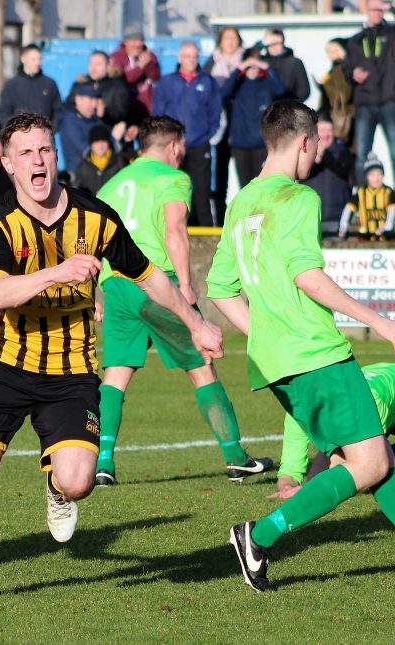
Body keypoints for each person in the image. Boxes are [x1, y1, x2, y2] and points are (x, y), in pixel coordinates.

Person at [0, 111, 223, 614]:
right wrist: (58, 272)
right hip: (3, 363)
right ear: (9, 164)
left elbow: (149, 275)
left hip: (71, 368)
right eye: (26, 153)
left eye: (45, 150)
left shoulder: (95, 217)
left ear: (54, 155)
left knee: (79, 480)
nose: (37, 161)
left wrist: (195, 322)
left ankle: (57, 490)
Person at [207, 99, 395, 593]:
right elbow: (308, 276)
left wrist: (266, 333)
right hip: (317, 354)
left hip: (276, 363)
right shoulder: (298, 197)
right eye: (318, 146)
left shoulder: (242, 201)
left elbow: (220, 288)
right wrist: (377, 320)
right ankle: (259, 535)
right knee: (372, 462)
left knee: (376, 460)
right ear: (305, 141)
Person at [94, 115, 273, 486]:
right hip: (157, 279)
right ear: (174, 146)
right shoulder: (173, 178)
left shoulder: (110, 184)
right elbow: (175, 230)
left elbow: (94, 240)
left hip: (114, 284)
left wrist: (95, 291)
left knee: (115, 374)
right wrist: (186, 285)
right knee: (202, 364)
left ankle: (103, 462)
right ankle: (236, 457)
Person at [274, 363, 395, 500]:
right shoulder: (297, 412)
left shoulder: (364, 402)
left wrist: (311, 489)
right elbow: (290, 470)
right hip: (386, 402)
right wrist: (287, 487)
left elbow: (363, 464)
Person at [344, 0, 395, 204]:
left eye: (380, 10)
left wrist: (393, 7)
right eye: (374, 9)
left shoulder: (392, 33)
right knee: (362, 154)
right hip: (365, 102)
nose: (377, 13)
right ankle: (360, 197)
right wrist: (353, 74)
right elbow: (346, 69)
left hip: (389, 100)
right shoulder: (355, 40)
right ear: (366, 10)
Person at [152, 41, 222, 227]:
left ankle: (206, 236)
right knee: (174, 190)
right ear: (180, 58)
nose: (191, 60)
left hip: (199, 144)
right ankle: (174, 229)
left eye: (194, 56)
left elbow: (216, 111)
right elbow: (157, 112)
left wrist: (210, 135)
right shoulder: (167, 82)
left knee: (201, 191)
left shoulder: (208, 82)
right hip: (173, 146)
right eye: (187, 56)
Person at [220, 48, 287, 189]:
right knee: (245, 186)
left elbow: (281, 90)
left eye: (257, 62)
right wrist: (239, 69)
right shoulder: (238, 84)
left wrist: (267, 68)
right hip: (240, 143)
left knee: (263, 186)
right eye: (251, 63)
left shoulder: (266, 83)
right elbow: (223, 93)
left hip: (262, 143)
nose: (254, 67)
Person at [204, 26, 245, 223]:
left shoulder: (247, 62)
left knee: (247, 175)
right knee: (220, 177)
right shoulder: (212, 63)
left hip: (243, 123)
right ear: (220, 41)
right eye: (226, 38)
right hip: (219, 124)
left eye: (233, 38)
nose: (230, 42)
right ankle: (220, 220)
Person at [301, 117, 353, 233]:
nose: (325, 135)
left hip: (337, 219)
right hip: (308, 220)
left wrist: (324, 155)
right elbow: (300, 176)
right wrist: (315, 161)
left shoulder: (343, 151)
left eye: (329, 130)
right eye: (322, 130)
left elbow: (344, 170)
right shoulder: (303, 153)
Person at [0, 44, 63, 128]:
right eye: (33, 59)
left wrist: (50, 128)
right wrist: (15, 130)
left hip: (44, 136)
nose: (37, 63)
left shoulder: (49, 83)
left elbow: (58, 110)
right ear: (23, 59)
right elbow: (4, 113)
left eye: (40, 59)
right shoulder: (12, 85)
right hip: (20, 136)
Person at [110, 25, 161, 125]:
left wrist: (149, 64)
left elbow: (156, 77)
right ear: (125, 42)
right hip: (124, 110)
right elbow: (123, 80)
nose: (138, 44)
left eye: (140, 40)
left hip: (145, 109)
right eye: (134, 40)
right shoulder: (116, 58)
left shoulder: (150, 56)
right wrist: (140, 66)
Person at [66, 50, 131, 129]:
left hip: (106, 131)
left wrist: (104, 112)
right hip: (82, 130)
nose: (93, 68)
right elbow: (68, 106)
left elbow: (122, 112)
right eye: (91, 64)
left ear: (108, 66)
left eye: (98, 64)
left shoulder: (117, 85)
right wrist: (81, 111)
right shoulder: (80, 84)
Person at [339, 153, 395, 239]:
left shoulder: (388, 192)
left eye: (379, 174)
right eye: (372, 175)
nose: (376, 178)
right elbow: (348, 210)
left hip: (385, 239)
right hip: (365, 239)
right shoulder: (361, 192)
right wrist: (343, 228)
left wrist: (385, 228)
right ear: (367, 177)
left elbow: (392, 212)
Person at [57, 83, 106, 173]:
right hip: (79, 177)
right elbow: (85, 151)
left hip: (97, 173)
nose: (94, 105)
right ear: (78, 100)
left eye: (96, 100)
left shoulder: (95, 120)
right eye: (91, 99)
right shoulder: (69, 121)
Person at [70, 124, 127, 194]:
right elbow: (78, 191)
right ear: (91, 144)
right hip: (91, 204)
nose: (100, 146)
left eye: (104, 142)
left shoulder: (119, 161)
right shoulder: (82, 167)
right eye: (97, 142)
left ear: (108, 143)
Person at [318, 38, 355, 144]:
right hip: (333, 112)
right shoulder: (334, 69)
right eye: (328, 51)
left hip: (343, 115)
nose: (329, 54)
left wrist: (327, 85)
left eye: (332, 51)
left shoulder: (343, 69)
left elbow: (344, 93)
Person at [260, 29, 310, 102]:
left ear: (283, 42)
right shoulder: (261, 63)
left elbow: (304, 91)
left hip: (288, 109)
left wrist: (290, 106)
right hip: (264, 109)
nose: (273, 46)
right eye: (270, 44)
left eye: (277, 43)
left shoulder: (295, 63)